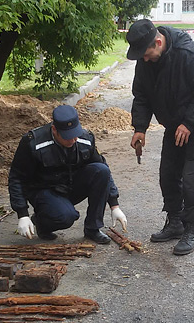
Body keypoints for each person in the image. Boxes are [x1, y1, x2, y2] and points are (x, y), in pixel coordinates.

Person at [125, 18, 194, 256]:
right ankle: (175, 221)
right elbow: (141, 96)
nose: (144, 59)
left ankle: (191, 229)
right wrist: (140, 128)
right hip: (173, 123)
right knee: (168, 174)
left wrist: (189, 123)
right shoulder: (146, 61)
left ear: (158, 42)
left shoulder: (191, 54)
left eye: (146, 54)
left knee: (192, 179)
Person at [8, 105, 127, 244]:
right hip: (44, 190)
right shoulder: (33, 143)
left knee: (101, 170)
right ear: (54, 130)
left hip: (70, 185)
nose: (73, 140)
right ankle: (42, 222)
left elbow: (103, 170)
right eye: (67, 137)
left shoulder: (85, 139)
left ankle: (92, 229)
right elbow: (16, 178)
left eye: (75, 134)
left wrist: (114, 205)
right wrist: (22, 214)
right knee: (66, 217)